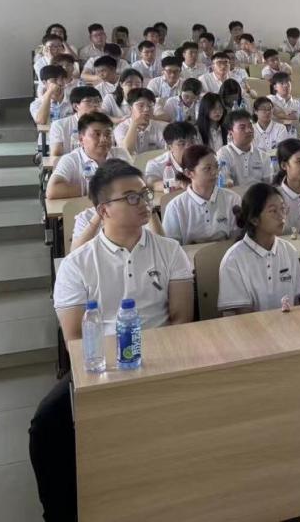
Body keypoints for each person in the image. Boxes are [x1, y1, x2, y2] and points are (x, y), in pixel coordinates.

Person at [34, 161, 194, 522]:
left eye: (145, 194)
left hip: (164, 357)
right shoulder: (77, 265)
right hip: (100, 365)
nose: (144, 203)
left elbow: (181, 320)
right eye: (131, 197)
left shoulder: (170, 251)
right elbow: (76, 341)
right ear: (103, 210)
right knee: (47, 424)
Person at [218, 183, 300, 314]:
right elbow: (243, 316)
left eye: (282, 209)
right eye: (273, 211)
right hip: (249, 326)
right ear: (254, 220)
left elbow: (296, 303)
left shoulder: (289, 251)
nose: (281, 216)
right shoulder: (233, 259)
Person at [162, 145, 241, 244]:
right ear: (188, 173)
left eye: (216, 166)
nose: (215, 172)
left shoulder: (233, 199)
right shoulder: (175, 207)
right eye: (207, 168)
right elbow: (171, 246)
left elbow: (237, 241)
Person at [47, 112, 131, 199]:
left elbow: (133, 182)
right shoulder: (70, 160)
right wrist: (97, 189)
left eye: (108, 134)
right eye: (97, 134)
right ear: (81, 139)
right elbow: (52, 190)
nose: (104, 139)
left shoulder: (120, 154)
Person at [215, 110, 270, 187]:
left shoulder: (263, 155)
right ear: (230, 133)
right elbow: (225, 184)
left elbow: (269, 184)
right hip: (233, 194)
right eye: (242, 127)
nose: (249, 130)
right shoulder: (223, 154)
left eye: (250, 126)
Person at [49, 86, 105, 157]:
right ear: (76, 106)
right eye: (89, 101)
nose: (95, 105)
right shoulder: (59, 125)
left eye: (97, 101)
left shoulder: (105, 125)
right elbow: (56, 156)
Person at [145, 121, 198, 190]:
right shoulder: (156, 164)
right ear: (169, 147)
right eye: (182, 144)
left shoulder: (202, 158)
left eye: (192, 141)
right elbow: (153, 184)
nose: (189, 147)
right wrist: (178, 183)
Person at [114, 88, 166, 155]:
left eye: (150, 106)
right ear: (130, 108)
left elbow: (168, 152)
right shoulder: (121, 128)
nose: (146, 109)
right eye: (141, 106)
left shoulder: (161, 128)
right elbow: (126, 152)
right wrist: (134, 124)